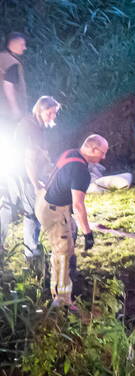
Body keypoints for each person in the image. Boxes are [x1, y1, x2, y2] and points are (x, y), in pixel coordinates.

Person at [35, 134, 108, 309]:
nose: (103, 157)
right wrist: (88, 233)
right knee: (64, 252)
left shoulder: (71, 153)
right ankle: (62, 301)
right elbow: (78, 205)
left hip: (45, 201)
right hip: (54, 210)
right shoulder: (81, 171)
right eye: (102, 153)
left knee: (64, 242)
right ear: (92, 148)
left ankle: (58, 291)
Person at [0, 96, 59, 268]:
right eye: (50, 112)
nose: (53, 116)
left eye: (55, 113)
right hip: (22, 174)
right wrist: (35, 185)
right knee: (31, 212)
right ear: (40, 109)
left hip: (11, 172)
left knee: (7, 208)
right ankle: (31, 252)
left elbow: (40, 155)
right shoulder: (31, 127)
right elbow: (29, 159)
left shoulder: (35, 125)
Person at [0, 32, 28, 124]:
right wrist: (15, 109)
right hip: (6, 110)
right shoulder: (12, 63)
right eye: (22, 45)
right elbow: (8, 85)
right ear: (12, 44)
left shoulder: (2, 57)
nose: (25, 48)